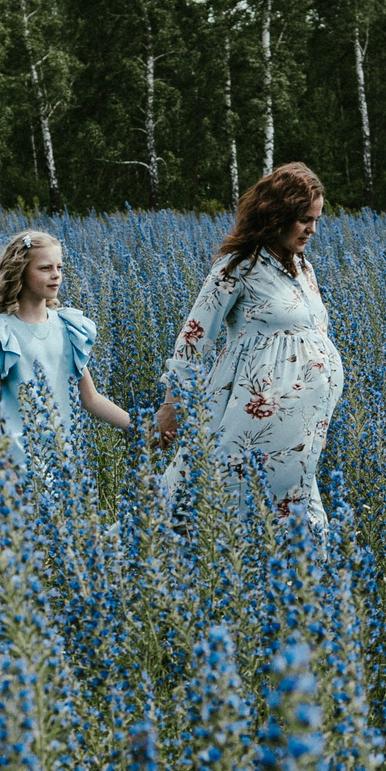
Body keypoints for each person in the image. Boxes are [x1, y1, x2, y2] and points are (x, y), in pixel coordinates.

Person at [152, 163, 344, 529]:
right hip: (247, 420)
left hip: (302, 431)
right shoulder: (238, 266)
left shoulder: (303, 268)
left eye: (316, 219)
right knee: (215, 498)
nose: (312, 229)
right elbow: (194, 337)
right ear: (278, 215)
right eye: (305, 219)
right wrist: (172, 403)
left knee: (291, 512)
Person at [0, 228, 131, 465]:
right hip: (18, 461)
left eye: (59, 268)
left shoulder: (69, 327)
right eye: (45, 268)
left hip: (64, 458)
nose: (56, 275)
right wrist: (3, 471)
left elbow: (91, 398)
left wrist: (142, 428)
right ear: (20, 272)